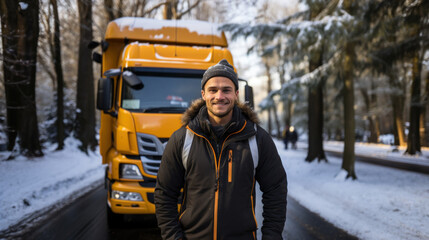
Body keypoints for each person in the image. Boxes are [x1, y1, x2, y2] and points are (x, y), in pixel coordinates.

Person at [154, 59, 287, 240]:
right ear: (203, 94)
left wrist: (271, 236)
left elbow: (276, 190)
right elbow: (164, 194)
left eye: (226, 90)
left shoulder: (257, 138)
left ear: (236, 94)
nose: (219, 96)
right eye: (213, 90)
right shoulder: (183, 139)